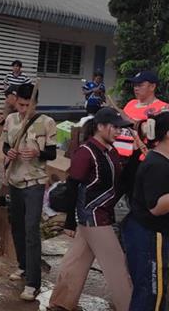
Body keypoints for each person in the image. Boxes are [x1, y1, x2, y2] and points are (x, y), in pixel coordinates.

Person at [47, 108, 136, 311]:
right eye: (114, 127)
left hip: (101, 214)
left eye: (119, 128)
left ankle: (60, 302)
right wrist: (70, 221)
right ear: (100, 127)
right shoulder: (85, 152)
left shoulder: (110, 151)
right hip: (93, 217)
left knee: (76, 261)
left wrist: (138, 154)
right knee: (117, 267)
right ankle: (131, 306)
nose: (118, 132)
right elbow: (72, 186)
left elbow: (120, 183)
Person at [2, 83, 57, 301]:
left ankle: (33, 283)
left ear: (34, 103)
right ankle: (23, 266)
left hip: (35, 181)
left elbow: (52, 153)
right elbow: (5, 146)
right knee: (17, 227)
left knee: (31, 230)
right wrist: (10, 152)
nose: (23, 110)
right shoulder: (10, 120)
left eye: (27, 105)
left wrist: (37, 152)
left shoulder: (47, 122)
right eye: (20, 105)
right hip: (14, 180)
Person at [122, 111, 169, 311]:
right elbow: (157, 208)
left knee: (155, 290)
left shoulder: (160, 160)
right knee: (150, 292)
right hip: (149, 236)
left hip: (152, 234)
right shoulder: (157, 165)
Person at [114, 71, 168, 158]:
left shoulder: (163, 108)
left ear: (152, 86)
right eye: (135, 85)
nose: (136, 88)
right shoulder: (131, 103)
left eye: (140, 85)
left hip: (142, 158)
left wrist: (129, 120)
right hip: (119, 155)